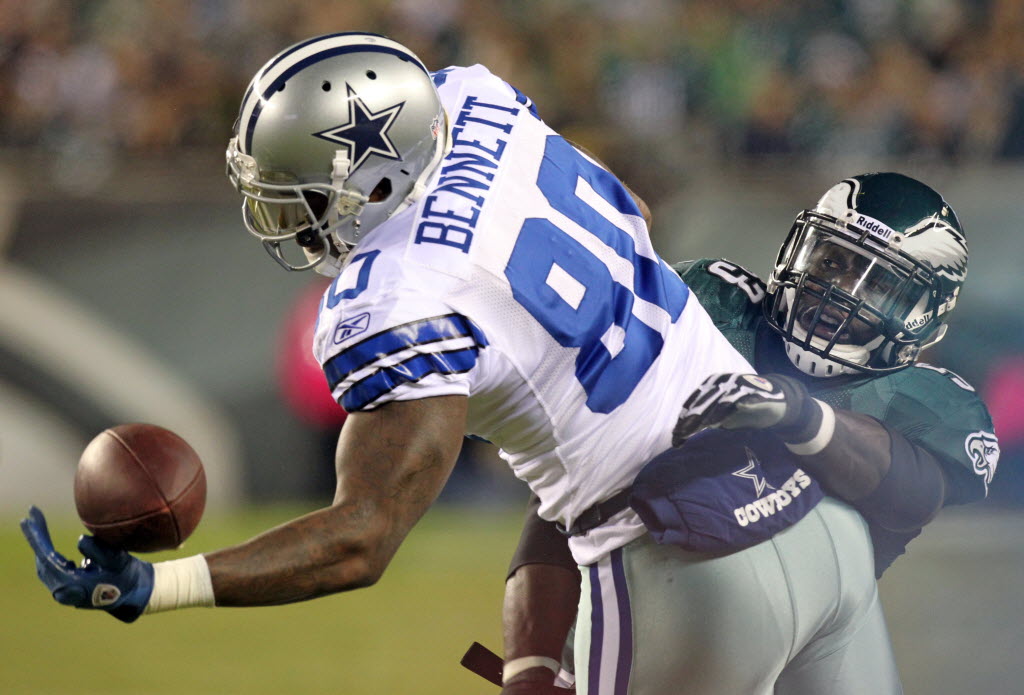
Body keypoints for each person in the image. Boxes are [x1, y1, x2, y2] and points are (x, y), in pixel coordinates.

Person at [15, 33, 953, 695]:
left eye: (299, 196)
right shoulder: (473, 99)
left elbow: (362, 536)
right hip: (817, 520)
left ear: (372, 180)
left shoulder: (395, 294)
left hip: (690, 562)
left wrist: (155, 586)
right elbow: (632, 216)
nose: (292, 221)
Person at [499, 173, 1001, 694]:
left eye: (877, 282)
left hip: (813, 638)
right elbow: (568, 490)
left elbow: (909, 489)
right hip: (658, 601)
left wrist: (801, 417)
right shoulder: (715, 306)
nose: (839, 291)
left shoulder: (921, 397)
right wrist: (529, 669)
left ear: (924, 315)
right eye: (832, 261)